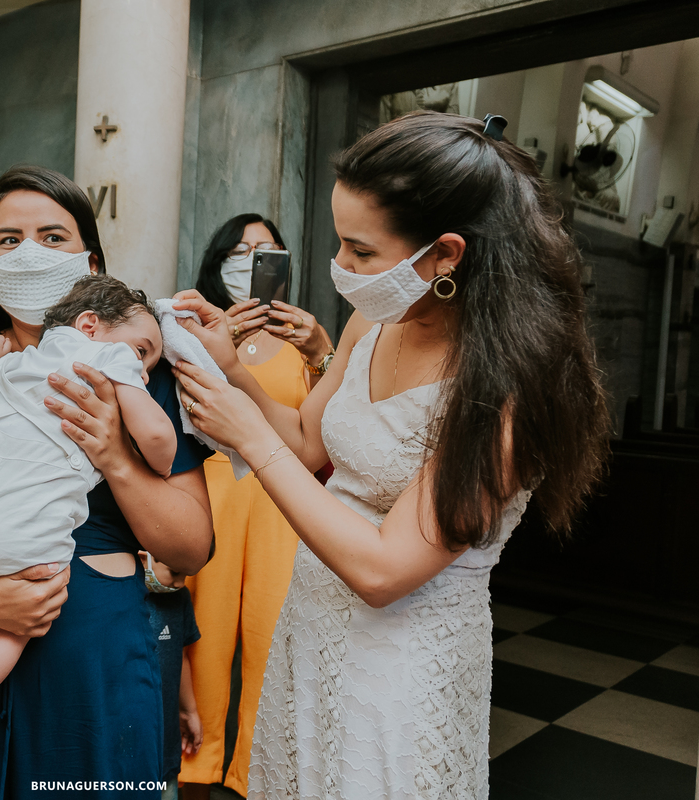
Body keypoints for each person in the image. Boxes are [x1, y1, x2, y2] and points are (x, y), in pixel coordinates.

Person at [172, 112, 607, 798]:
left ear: (446, 255)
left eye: (360, 251)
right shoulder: (374, 320)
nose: (340, 267)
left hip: (401, 667)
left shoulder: (510, 384)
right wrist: (232, 372)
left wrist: (248, 437)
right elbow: (310, 442)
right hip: (309, 633)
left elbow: (384, 570)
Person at [0, 164, 214, 798]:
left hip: (91, 659)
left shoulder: (145, 371)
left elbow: (190, 547)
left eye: (53, 237)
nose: (29, 253)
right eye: (8, 239)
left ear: (92, 262)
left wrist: (113, 454)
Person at [0, 275, 177, 763]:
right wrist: (138, 429)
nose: (146, 369)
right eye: (144, 351)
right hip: (17, 531)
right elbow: (160, 445)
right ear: (90, 326)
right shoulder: (109, 363)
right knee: (28, 608)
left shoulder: (20, 361)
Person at [181, 214, 334, 799]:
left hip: (284, 499)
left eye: (267, 250)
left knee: (274, 634)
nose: (252, 258)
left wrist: (321, 348)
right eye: (240, 250)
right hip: (214, 491)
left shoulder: (302, 339)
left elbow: (330, 428)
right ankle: (197, 765)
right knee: (206, 636)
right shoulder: (191, 327)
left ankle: (257, 773)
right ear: (219, 261)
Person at [139, 553, 202, 800]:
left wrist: (190, 711)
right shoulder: (122, 598)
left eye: (187, 575)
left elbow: (181, 655)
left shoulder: (180, 598)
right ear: (144, 556)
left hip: (166, 742)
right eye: (175, 573)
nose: (181, 582)